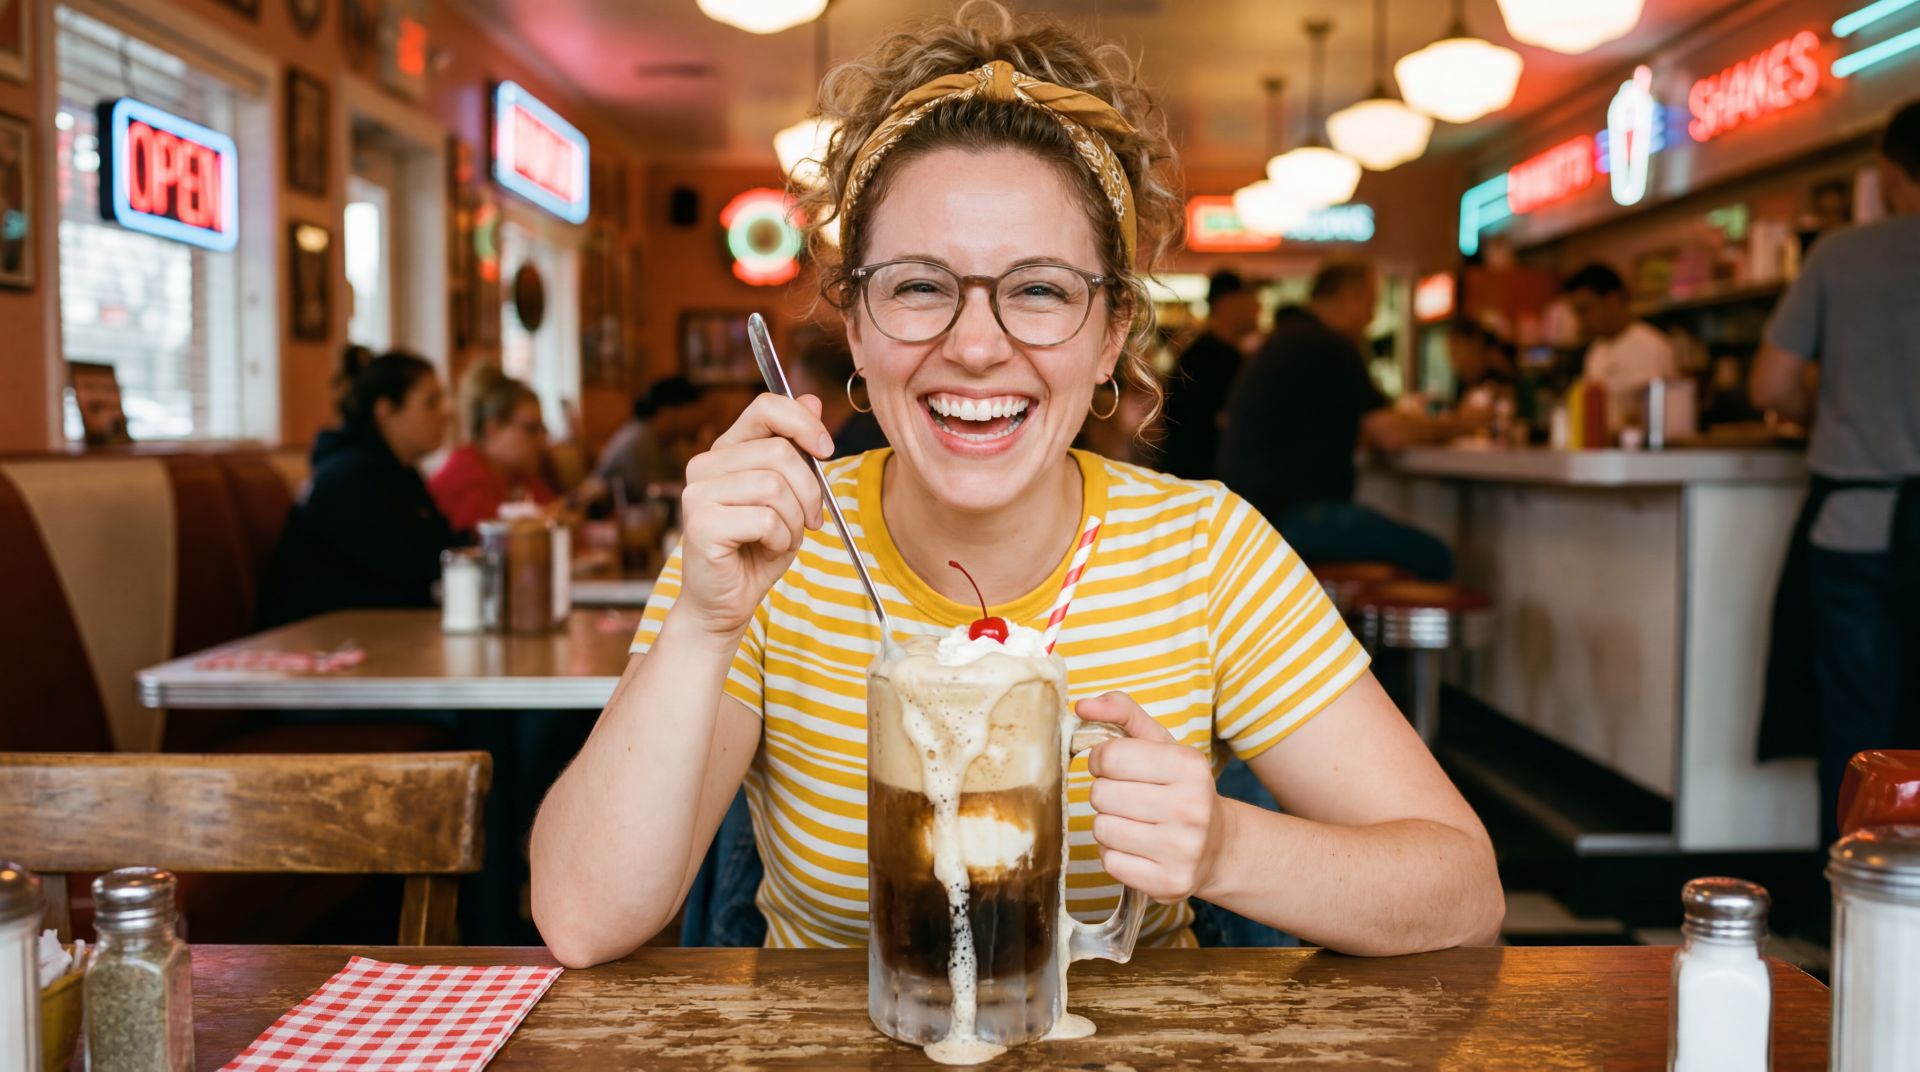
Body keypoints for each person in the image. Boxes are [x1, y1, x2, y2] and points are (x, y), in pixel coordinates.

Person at [529, 3, 1501, 968]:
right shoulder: (769, 554)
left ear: (1112, 330)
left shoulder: (1206, 553)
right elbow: (581, 917)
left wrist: (1228, 846)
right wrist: (703, 625)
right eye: (918, 285)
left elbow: (1462, 892)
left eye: (1038, 289)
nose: (979, 345)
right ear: (857, 327)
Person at [1751, 98, 1920, 844]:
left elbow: (1769, 387)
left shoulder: (1842, 255)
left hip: (1858, 526)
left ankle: (1849, 923)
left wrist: (1837, 396)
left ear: (1889, 173)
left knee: (1858, 735)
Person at [1216, 259, 1474, 581]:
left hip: (1255, 519)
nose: (1371, 317)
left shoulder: (1286, 338)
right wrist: (1463, 424)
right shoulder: (1326, 342)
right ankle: (1356, 630)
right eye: (1371, 304)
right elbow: (1391, 434)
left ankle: (1343, 627)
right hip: (1293, 518)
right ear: (1352, 298)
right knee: (1435, 557)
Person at [258, 350, 457, 627]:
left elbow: (442, 550)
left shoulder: (402, 472)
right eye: (431, 402)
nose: (446, 413)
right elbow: (411, 572)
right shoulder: (348, 478)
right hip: (314, 644)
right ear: (385, 411)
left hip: (371, 633)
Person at [430, 366, 559, 535]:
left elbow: (557, 519)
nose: (543, 441)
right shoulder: (466, 480)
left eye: (543, 429)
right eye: (531, 429)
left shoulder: (517, 474)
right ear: (491, 429)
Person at [1159, 269, 1259, 479]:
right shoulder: (1205, 359)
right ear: (1229, 302)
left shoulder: (1212, 354)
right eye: (1251, 297)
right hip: (1203, 485)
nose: (1258, 306)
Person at [1563, 263, 1676, 433]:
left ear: (1613, 299)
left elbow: (1665, 419)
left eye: (1584, 310)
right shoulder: (1595, 352)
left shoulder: (1653, 346)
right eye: (1577, 313)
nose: (1580, 321)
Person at [594, 376, 709, 501]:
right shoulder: (641, 442)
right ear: (668, 411)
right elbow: (660, 498)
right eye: (695, 412)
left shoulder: (666, 442)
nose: (701, 420)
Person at [785, 332, 890, 458]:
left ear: (812, 390)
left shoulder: (853, 448)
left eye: (790, 382)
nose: (787, 395)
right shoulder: (856, 430)